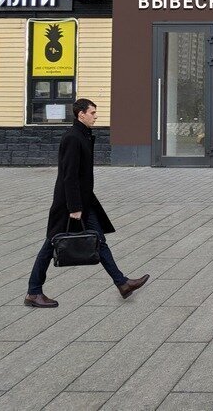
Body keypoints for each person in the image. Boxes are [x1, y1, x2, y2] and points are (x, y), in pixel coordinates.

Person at [25, 99, 149, 308]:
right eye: (92, 113)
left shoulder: (82, 135)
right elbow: (69, 175)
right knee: (51, 244)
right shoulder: (73, 138)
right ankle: (33, 292)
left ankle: (122, 283)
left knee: (98, 241)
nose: (96, 116)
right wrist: (74, 208)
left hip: (84, 201)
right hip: (69, 203)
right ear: (81, 114)